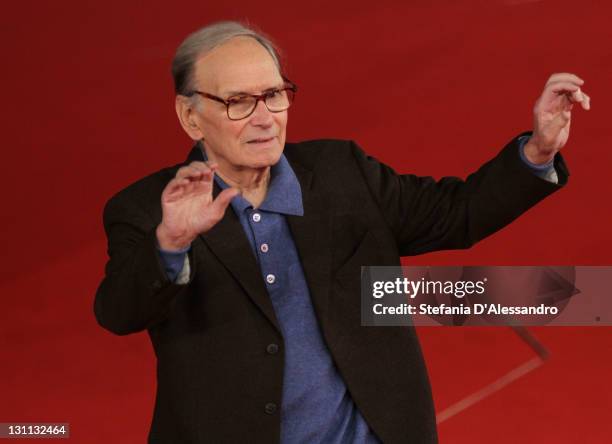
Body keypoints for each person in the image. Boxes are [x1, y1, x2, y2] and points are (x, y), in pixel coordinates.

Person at [94, 21, 590, 444]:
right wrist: (171, 245)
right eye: (239, 102)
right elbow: (118, 312)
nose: (265, 118)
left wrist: (538, 152)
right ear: (190, 116)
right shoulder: (148, 208)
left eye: (273, 95)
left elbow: (456, 213)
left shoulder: (341, 172)